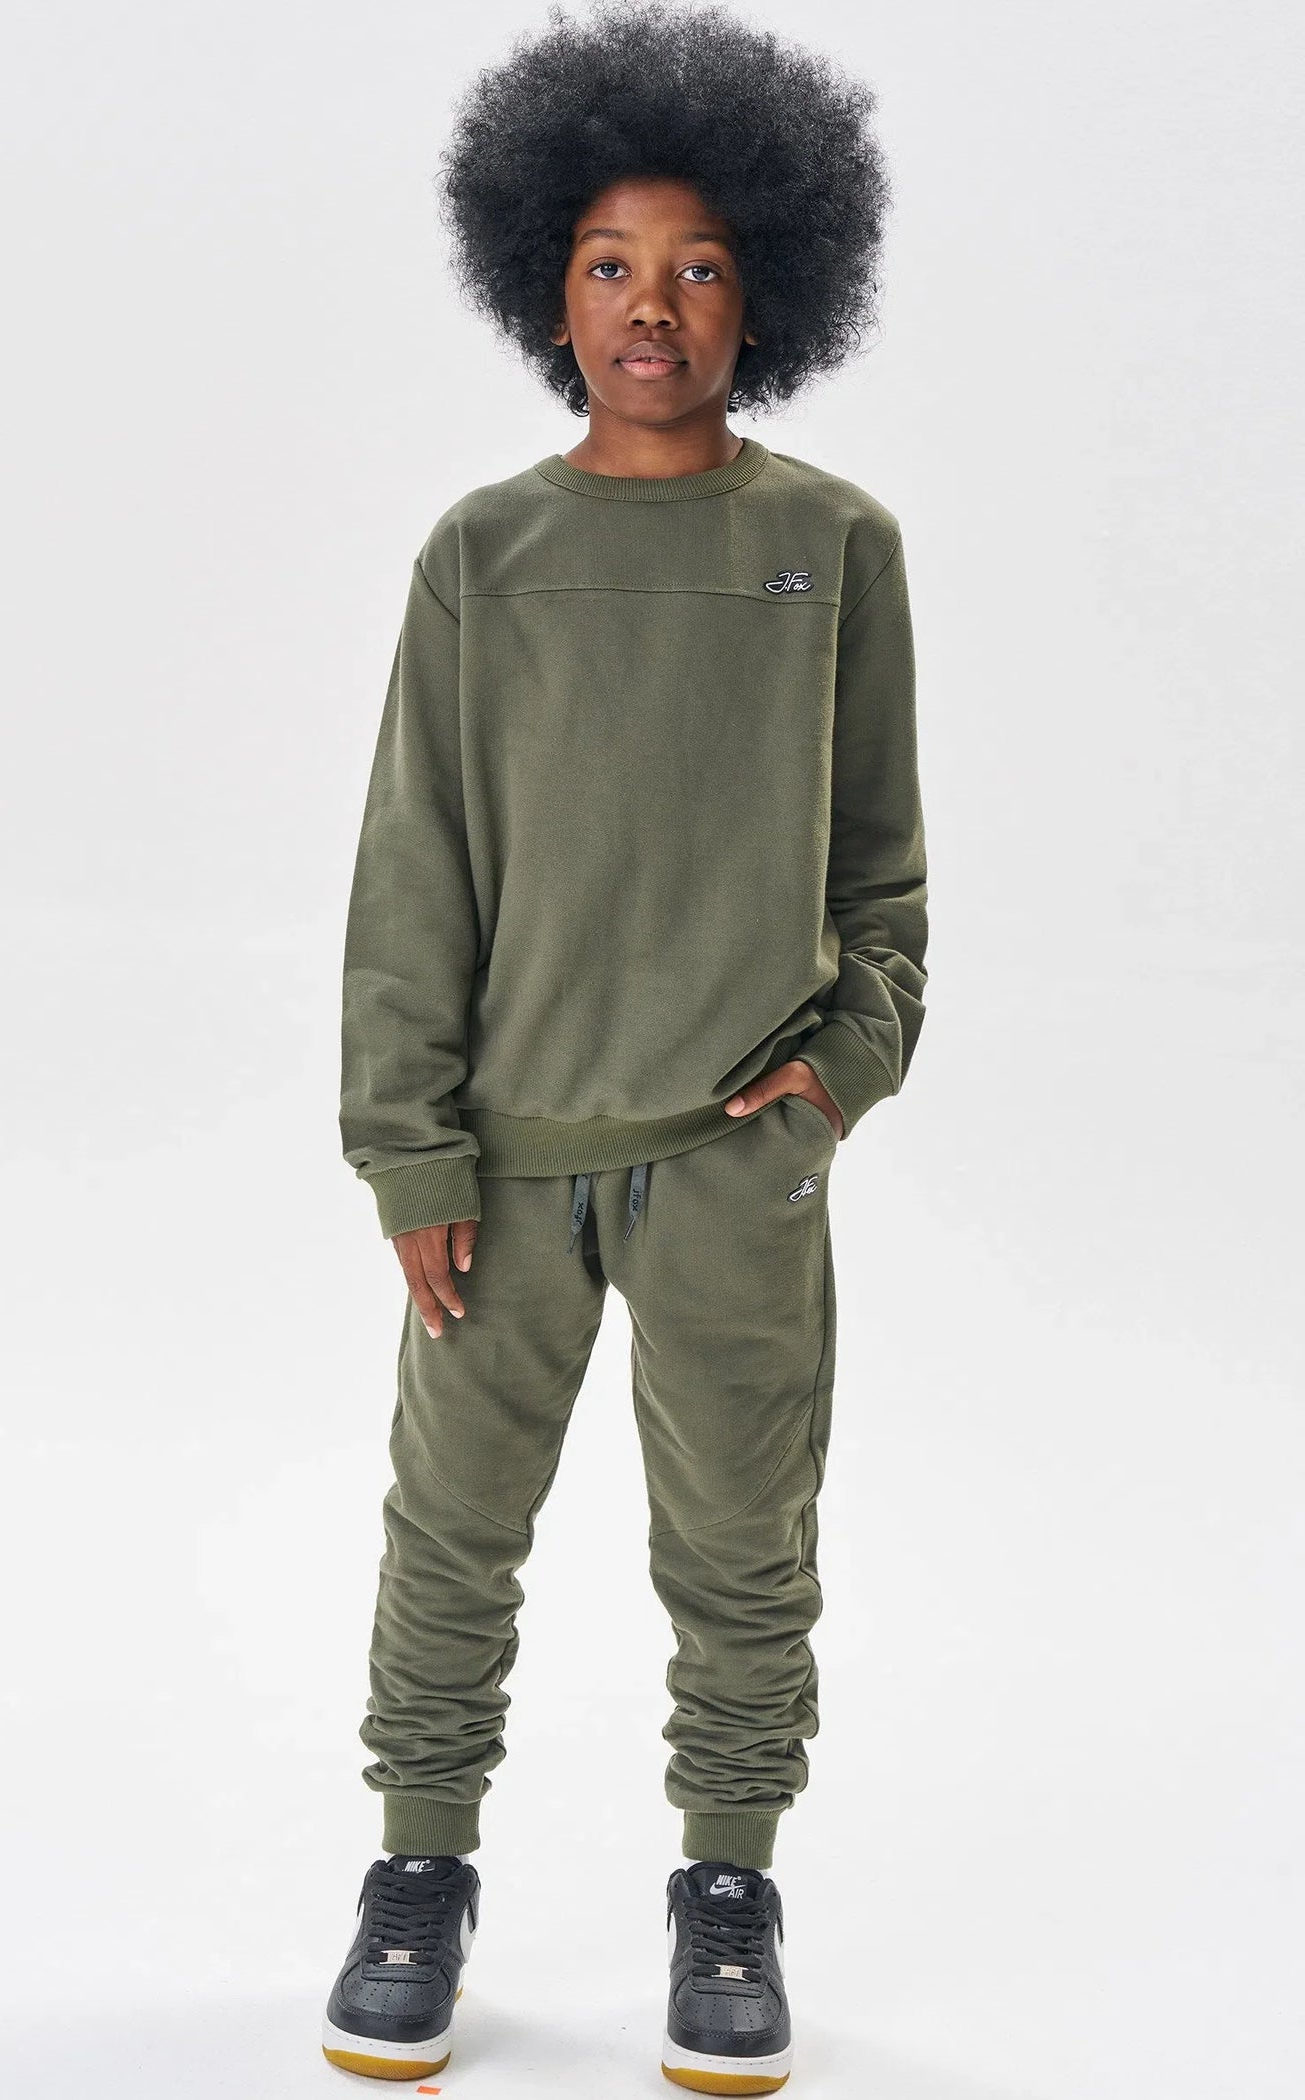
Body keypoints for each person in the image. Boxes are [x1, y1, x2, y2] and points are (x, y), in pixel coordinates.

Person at [321, 4, 929, 2090]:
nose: (651, 305)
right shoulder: (482, 555)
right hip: (501, 1164)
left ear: (769, 287)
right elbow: (413, 867)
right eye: (607, 263)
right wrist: (410, 1153)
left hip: (735, 1161)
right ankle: (418, 1869)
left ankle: (729, 1889)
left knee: (746, 1544)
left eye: (697, 265)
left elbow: (883, 875)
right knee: (449, 1535)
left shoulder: (835, 546)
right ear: (546, 289)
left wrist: (834, 1078)